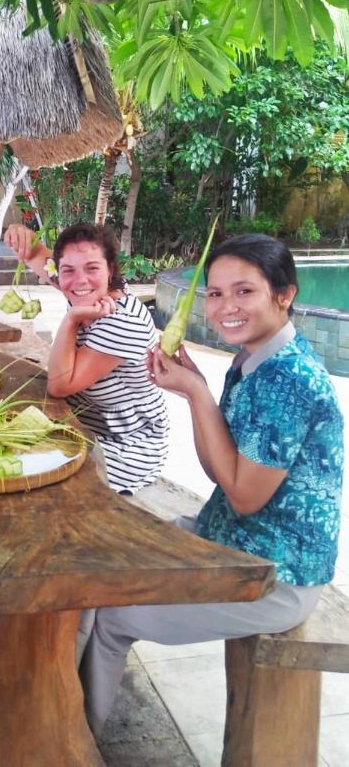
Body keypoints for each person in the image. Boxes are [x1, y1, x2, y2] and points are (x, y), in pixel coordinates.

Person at [78, 233, 344, 735]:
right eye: (216, 293)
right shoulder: (253, 360)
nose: (225, 307)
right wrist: (194, 391)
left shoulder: (288, 380)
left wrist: (197, 394)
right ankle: (62, 703)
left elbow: (244, 497)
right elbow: (218, 471)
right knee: (100, 568)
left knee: (111, 619)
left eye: (244, 292)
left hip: (275, 574)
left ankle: (77, 738)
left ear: (284, 294)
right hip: (229, 539)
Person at [4, 222, 169, 494]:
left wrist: (71, 320)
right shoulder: (85, 290)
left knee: (31, 483)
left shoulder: (121, 322)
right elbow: (33, 253)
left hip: (123, 445)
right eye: (67, 270)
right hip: (79, 426)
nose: (80, 280)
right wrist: (16, 232)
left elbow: (58, 384)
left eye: (92, 268)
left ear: (110, 270)